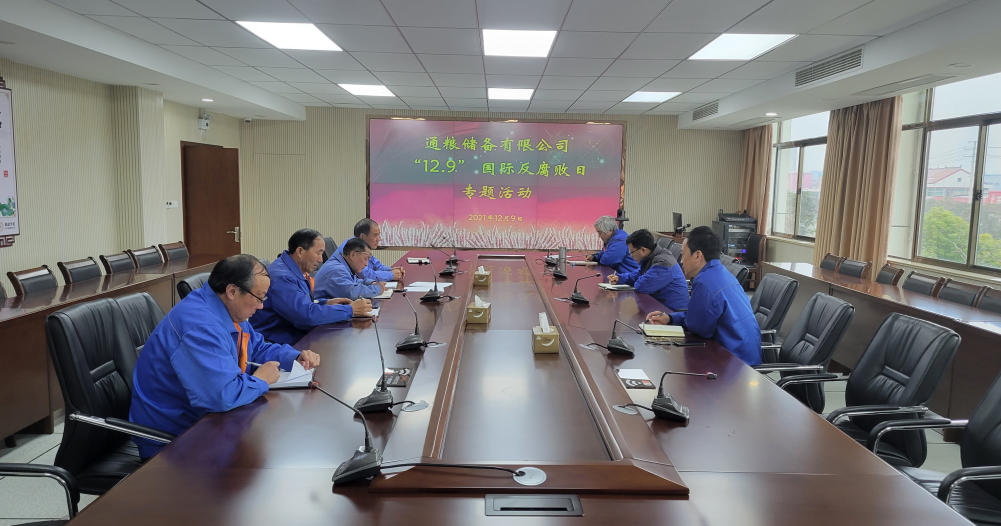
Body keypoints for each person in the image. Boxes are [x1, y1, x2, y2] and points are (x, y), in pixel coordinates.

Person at [129, 255, 322, 458]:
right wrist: (260, 380)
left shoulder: (228, 310)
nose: (261, 306)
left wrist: (294, 357)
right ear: (232, 291)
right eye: (259, 297)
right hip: (174, 440)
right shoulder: (199, 326)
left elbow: (256, 348)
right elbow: (221, 396)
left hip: (207, 422)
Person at [645, 226, 761, 365]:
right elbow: (699, 316)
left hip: (735, 362)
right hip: (747, 356)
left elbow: (698, 328)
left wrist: (673, 322)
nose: (681, 261)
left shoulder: (705, 282)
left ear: (698, 255)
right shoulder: (722, 272)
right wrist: (670, 318)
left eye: (683, 255)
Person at [251, 229, 372, 345]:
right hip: (279, 344)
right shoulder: (282, 277)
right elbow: (306, 316)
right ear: (300, 251)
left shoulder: (295, 270)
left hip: (296, 335)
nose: (320, 259)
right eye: (318, 253)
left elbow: (302, 304)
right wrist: (351, 310)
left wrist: (325, 303)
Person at [606, 228, 689, 311]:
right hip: (658, 305)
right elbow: (638, 274)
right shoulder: (650, 257)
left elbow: (642, 286)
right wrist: (620, 278)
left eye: (632, 252)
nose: (631, 255)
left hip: (671, 311)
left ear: (643, 250)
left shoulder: (663, 262)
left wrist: (641, 279)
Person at [315, 237, 387, 300]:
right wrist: (378, 289)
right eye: (365, 258)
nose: (366, 264)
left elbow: (353, 281)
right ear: (353, 255)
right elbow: (351, 293)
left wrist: (371, 283)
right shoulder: (337, 269)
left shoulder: (343, 264)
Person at [337, 218, 404, 281]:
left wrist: (390, 270)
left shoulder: (363, 247)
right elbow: (366, 275)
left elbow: (377, 266)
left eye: (378, 235)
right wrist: (391, 275)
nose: (378, 239)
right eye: (375, 235)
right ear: (362, 236)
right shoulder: (351, 249)